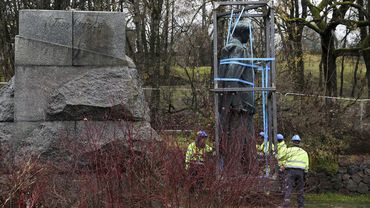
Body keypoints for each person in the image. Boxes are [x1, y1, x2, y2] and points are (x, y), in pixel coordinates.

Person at [282, 135, 309, 208]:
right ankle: (301, 205)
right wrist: (305, 173)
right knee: (300, 189)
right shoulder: (304, 152)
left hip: (290, 171)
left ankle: (286, 205)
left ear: (292, 142)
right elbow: (306, 165)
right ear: (299, 142)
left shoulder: (288, 150)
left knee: (288, 188)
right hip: (301, 172)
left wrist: (283, 165)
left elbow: (282, 158)